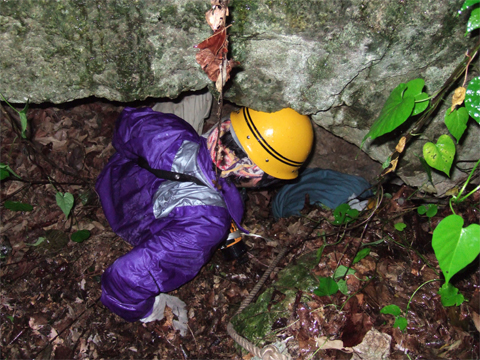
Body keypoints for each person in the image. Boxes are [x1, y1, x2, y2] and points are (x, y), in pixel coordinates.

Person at [95, 104, 314, 328]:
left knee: (197, 97)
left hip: (114, 181)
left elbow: (129, 121)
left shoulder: (168, 129)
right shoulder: (206, 224)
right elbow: (124, 279)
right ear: (256, 176)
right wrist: (152, 310)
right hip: (130, 220)